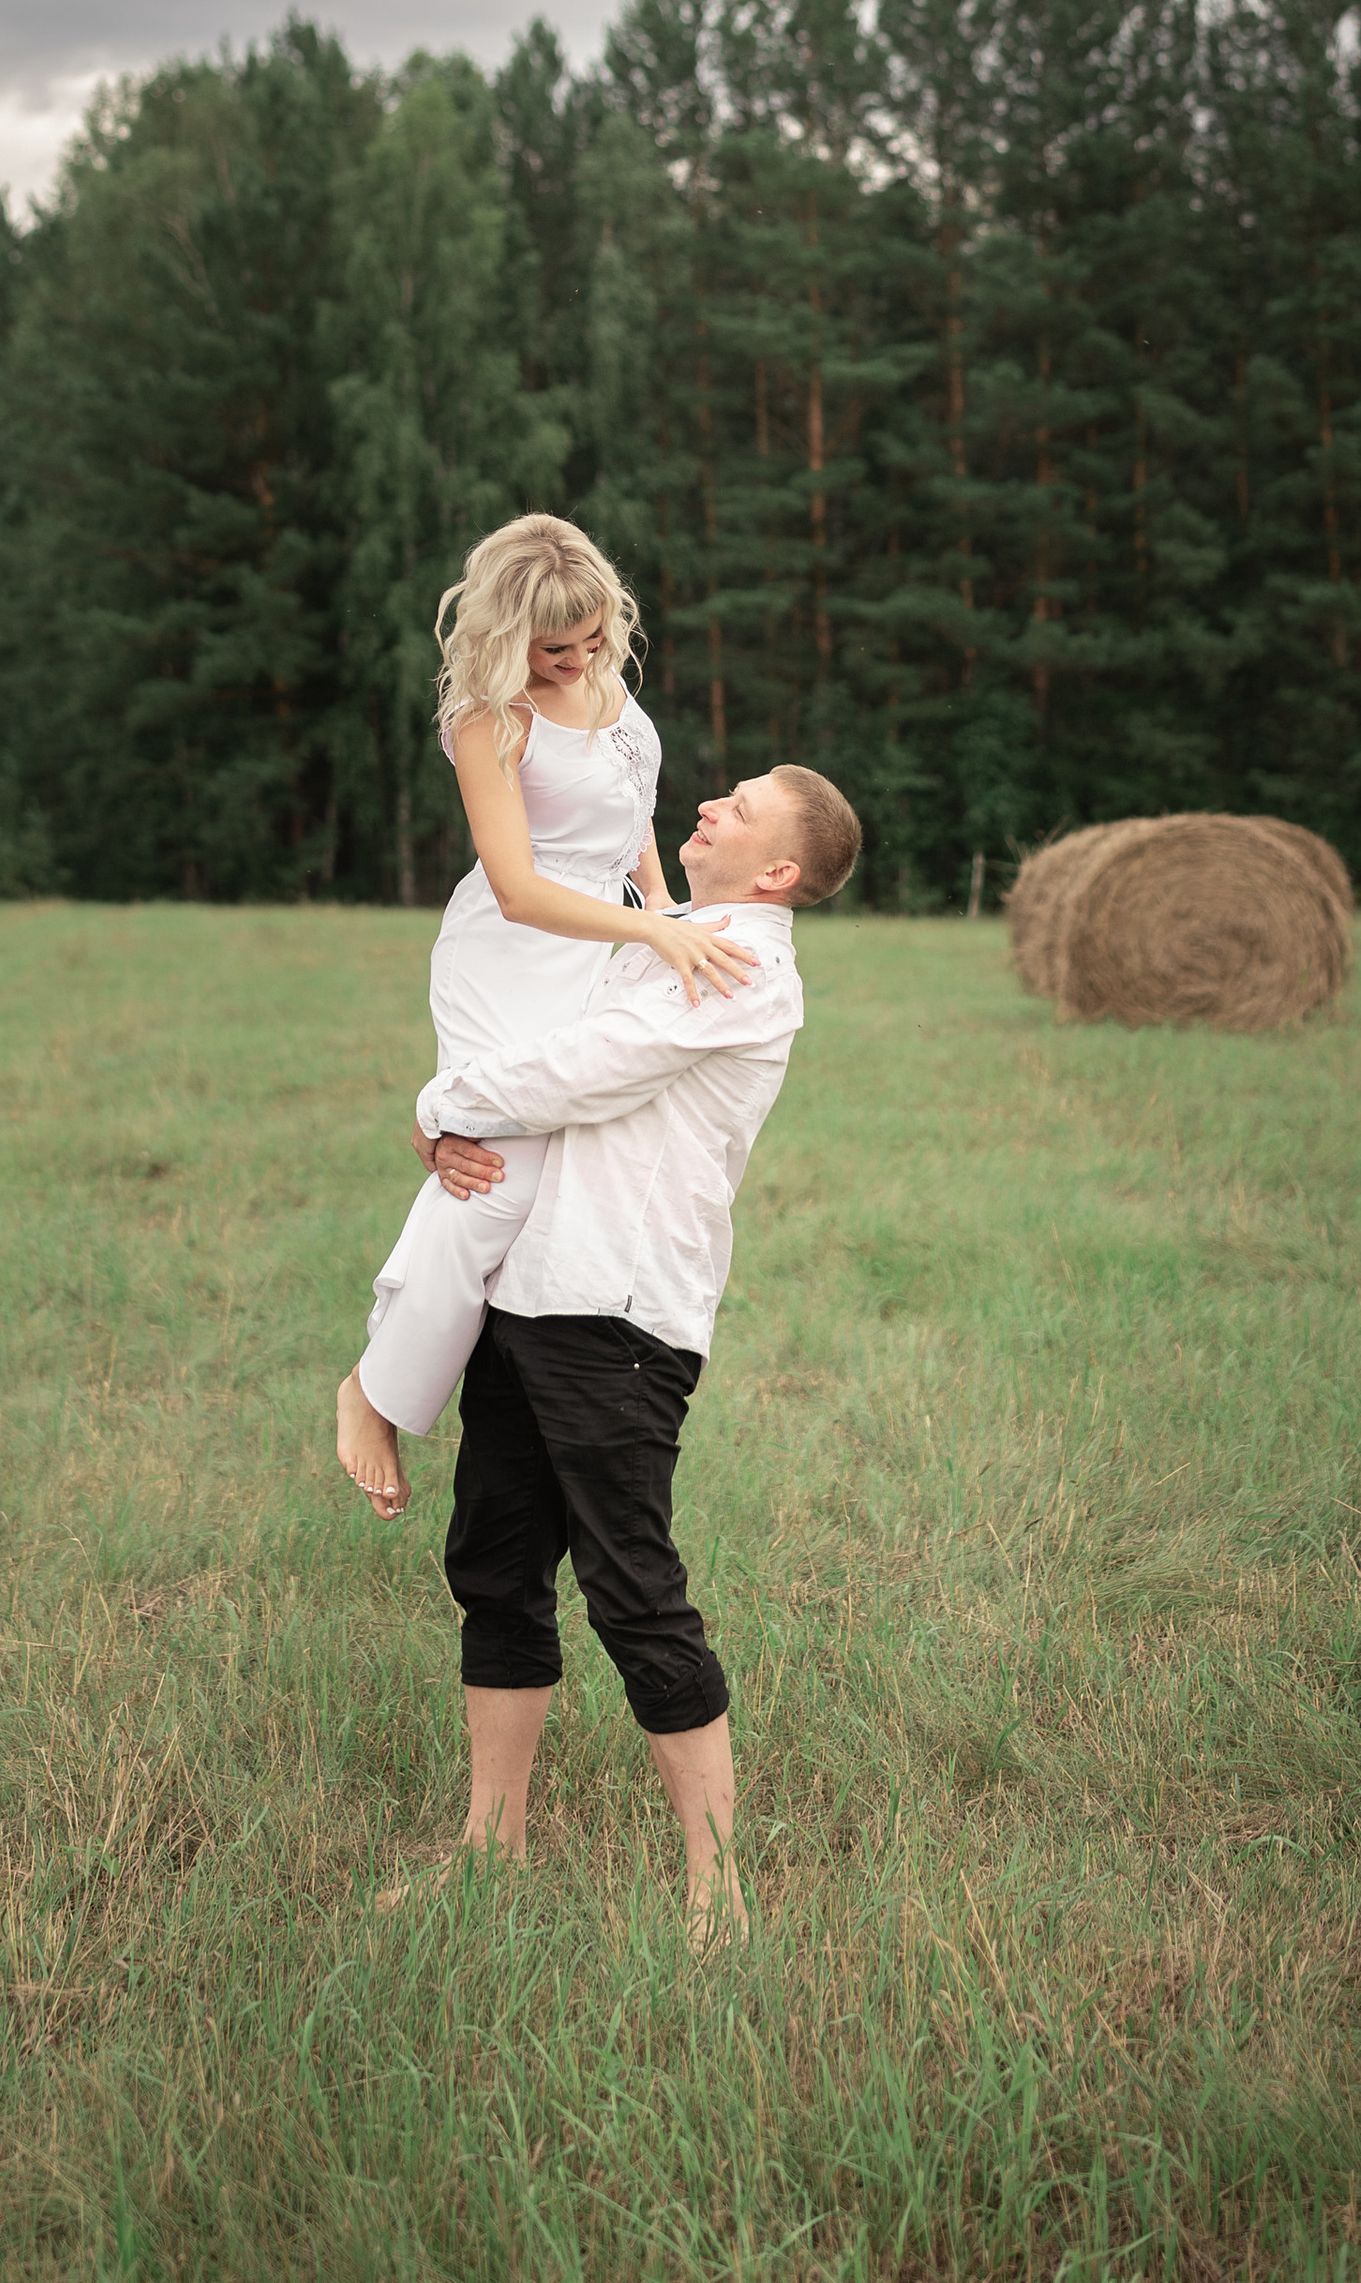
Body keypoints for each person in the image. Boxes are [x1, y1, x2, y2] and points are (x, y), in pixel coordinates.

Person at [405, 757, 863, 1939]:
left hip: (617, 1312)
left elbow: (584, 1073)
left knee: (632, 1592)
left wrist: (441, 1102)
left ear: (777, 871)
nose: (711, 802)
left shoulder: (741, 960)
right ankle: (486, 1856)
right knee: (496, 1570)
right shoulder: (662, 932)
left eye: (742, 805)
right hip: (530, 1292)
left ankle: (719, 1896)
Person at [334, 515, 759, 1523]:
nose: (576, 662)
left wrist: (666, 917)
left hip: (608, 942)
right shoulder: (488, 719)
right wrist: (651, 935)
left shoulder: (613, 690)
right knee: (499, 1180)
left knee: (559, 1177)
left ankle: (445, 1141)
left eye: (592, 639)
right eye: (552, 649)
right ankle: (373, 1389)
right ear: (502, 632)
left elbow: (633, 826)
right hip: (510, 954)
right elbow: (518, 888)